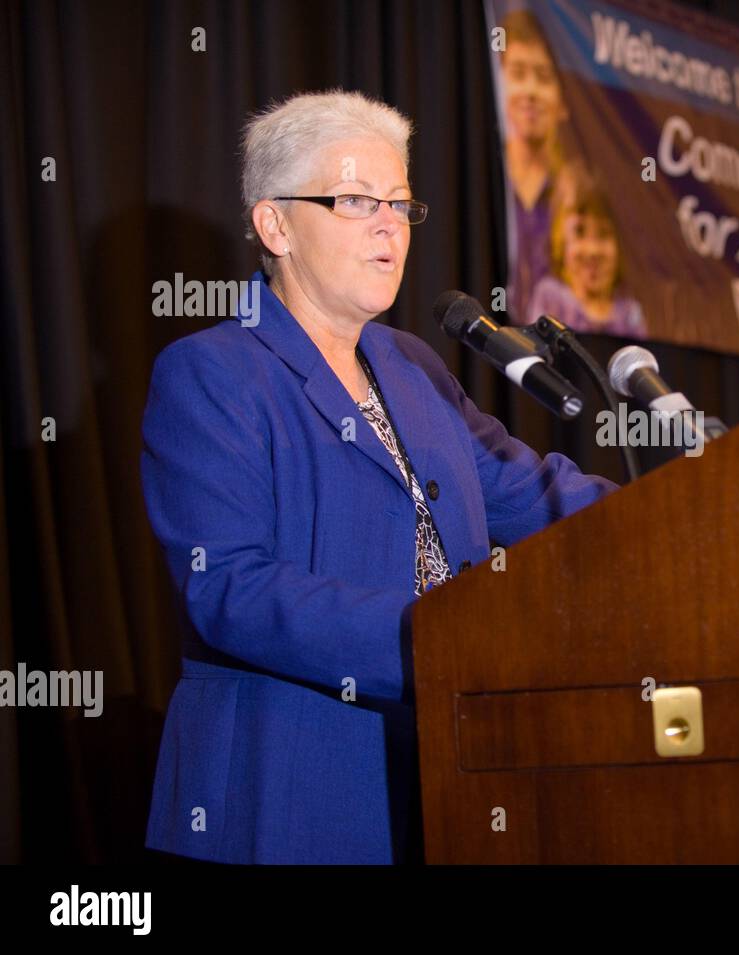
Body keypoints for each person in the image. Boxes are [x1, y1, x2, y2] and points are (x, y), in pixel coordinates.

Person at [140, 89, 617, 864]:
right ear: (275, 223)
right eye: (357, 200)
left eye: (399, 202)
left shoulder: (412, 365)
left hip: (447, 785)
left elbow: (527, 492)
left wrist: (692, 509)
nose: (391, 225)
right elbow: (229, 587)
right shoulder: (212, 372)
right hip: (288, 794)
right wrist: (435, 640)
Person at [499, 8, 568, 322]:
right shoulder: (484, 184)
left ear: (562, 99)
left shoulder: (577, 194)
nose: (529, 91)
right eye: (518, 73)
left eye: (542, 77)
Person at [528, 166, 647, 338]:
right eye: (579, 232)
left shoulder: (630, 314)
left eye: (604, 234)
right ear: (560, 240)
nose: (592, 250)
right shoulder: (550, 298)